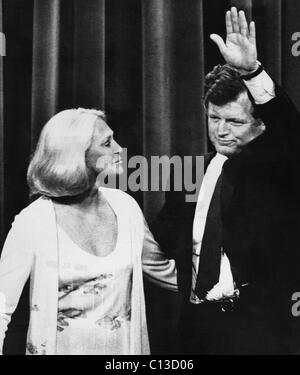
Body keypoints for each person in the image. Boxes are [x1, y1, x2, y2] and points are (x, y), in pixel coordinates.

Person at [151, 7, 300, 354]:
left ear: (261, 124)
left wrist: (252, 71)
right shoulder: (190, 172)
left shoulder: (282, 167)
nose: (220, 130)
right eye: (213, 117)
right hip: (196, 327)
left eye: (233, 121)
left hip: (261, 330)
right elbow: (164, 239)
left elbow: (290, 133)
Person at [0, 108, 177, 355]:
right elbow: (1, 308)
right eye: (107, 144)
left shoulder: (125, 207)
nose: (118, 149)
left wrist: (226, 283)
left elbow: (163, 271)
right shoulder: (32, 222)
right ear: (76, 155)